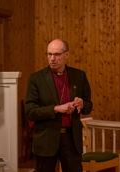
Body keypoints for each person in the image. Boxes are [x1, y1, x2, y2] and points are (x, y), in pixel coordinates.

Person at [26, 39, 92, 172]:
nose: (52, 59)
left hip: (71, 140)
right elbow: (30, 112)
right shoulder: (36, 79)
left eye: (56, 55)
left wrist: (82, 103)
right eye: (49, 54)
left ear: (66, 55)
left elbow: (89, 106)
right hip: (46, 139)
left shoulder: (79, 76)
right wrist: (56, 109)